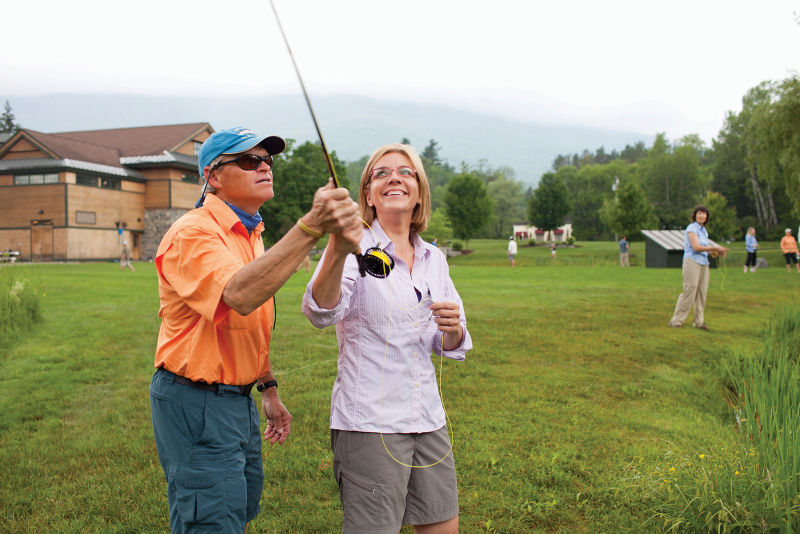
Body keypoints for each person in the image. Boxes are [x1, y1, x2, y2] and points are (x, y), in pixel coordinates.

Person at [149, 127, 362, 533]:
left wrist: (268, 389)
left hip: (235, 400)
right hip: (196, 400)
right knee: (210, 519)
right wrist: (313, 225)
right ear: (213, 176)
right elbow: (239, 295)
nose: (264, 166)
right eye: (249, 161)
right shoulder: (194, 232)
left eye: (267, 160)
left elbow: (248, 324)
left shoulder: (249, 233)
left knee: (237, 508)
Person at [302, 143, 472, 534]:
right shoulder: (352, 247)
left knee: (444, 528)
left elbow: (450, 344)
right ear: (368, 194)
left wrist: (453, 328)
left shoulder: (434, 258)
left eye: (405, 172)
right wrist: (336, 247)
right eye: (381, 173)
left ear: (419, 191)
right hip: (370, 424)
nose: (394, 177)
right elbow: (320, 311)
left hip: (428, 419)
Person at [669, 206, 728, 330]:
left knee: (702, 292)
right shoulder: (692, 228)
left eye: (704, 214)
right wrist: (715, 248)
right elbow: (696, 247)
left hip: (703, 262)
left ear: (707, 217)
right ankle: (676, 320)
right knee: (690, 290)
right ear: (695, 215)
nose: (702, 215)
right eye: (699, 213)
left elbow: (704, 250)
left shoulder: (704, 230)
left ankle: (699, 322)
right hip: (692, 261)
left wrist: (715, 253)